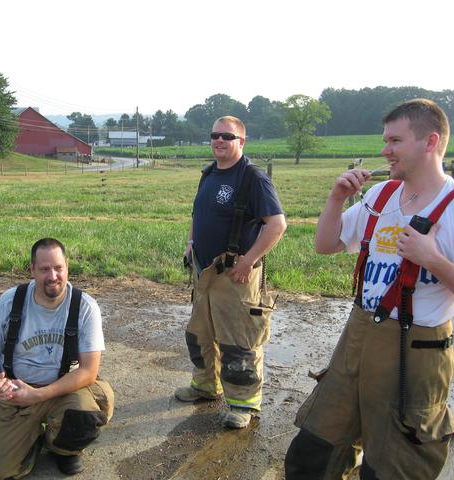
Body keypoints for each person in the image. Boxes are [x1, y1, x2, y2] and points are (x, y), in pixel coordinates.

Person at [285, 99, 454, 479]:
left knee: (389, 470)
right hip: (357, 340)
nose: (385, 150)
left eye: (395, 140)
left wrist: (433, 260)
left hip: (417, 354)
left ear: (430, 142)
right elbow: (326, 244)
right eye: (385, 140)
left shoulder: (453, 207)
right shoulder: (380, 197)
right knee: (311, 456)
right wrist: (335, 199)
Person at [0, 238, 114, 479]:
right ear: (31, 270)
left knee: (86, 415)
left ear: (67, 266)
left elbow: (88, 370)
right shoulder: (9, 302)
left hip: (62, 391)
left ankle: (61, 448)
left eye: (58, 268)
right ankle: (28, 439)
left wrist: (38, 395)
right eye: (44, 269)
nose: (53, 276)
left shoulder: (85, 306)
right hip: (15, 392)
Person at [174, 116, 286, 429]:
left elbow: (276, 225)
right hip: (204, 273)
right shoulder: (208, 174)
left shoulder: (253, 179)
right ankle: (206, 386)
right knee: (201, 334)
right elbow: (197, 215)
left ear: (242, 142)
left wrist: (249, 260)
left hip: (236, 275)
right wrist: (190, 244)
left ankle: (244, 404)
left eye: (227, 136)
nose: (220, 141)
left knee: (240, 341)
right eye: (215, 135)